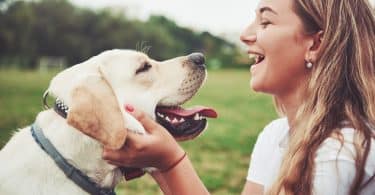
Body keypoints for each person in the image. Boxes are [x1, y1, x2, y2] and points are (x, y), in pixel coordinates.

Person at [102, 0, 375, 194]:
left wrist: (170, 162)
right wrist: (159, 162)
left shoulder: (341, 152)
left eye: (265, 21)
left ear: (315, 44)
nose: (245, 35)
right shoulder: (275, 136)